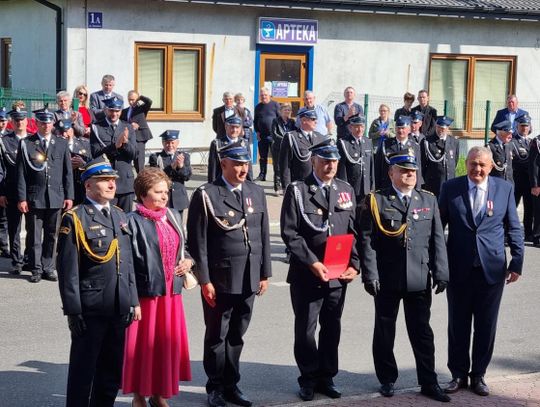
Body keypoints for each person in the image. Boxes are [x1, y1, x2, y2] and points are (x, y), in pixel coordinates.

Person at [357, 150, 450, 402]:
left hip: (419, 278)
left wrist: (441, 272)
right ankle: (387, 378)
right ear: (391, 173)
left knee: (422, 332)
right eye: (404, 170)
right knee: (385, 332)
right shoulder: (376, 200)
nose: (410, 174)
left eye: (412, 171)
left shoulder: (427, 200)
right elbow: (366, 241)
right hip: (387, 279)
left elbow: (437, 240)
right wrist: (370, 274)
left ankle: (429, 381)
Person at [187, 141, 271, 407]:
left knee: (237, 334)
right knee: (216, 336)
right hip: (220, 278)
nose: (242, 168)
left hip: (248, 275)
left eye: (245, 163)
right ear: (223, 163)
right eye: (237, 163)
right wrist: (205, 280)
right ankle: (215, 387)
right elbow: (197, 242)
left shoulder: (255, 192)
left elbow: (264, 235)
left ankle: (232, 384)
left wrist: (264, 273)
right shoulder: (207, 193)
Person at [439, 146, 524, 397]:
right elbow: (437, 228)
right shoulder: (450, 188)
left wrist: (517, 261)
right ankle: (457, 374)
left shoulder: (504, 189)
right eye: (473, 164)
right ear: (466, 164)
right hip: (458, 268)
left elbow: (514, 227)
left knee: (486, 326)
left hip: (492, 269)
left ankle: (479, 375)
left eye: (482, 165)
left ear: (491, 167)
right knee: (458, 324)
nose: (477, 169)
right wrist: (437, 263)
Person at [56, 156, 139, 407]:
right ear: (88, 186)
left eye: (112, 179)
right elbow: (67, 270)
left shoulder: (120, 215)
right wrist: (73, 310)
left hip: (118, 305)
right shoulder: (76, 218)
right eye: (104, 180)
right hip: (90, 309)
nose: (111, 184)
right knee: (83, 372)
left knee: (111, 372)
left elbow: (127, 263)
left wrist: (132, 301)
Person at [281, 138, 359, 401]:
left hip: (337, 275)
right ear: (313, 160)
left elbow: (353, 231)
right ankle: (308, 378)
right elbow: (290, 233)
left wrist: (355, 265)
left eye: (334, 161)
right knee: (305, 330)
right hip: (307, 274)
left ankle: (327, 377)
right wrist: (311, 262)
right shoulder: (299, 190)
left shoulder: (346, 189)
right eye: (326, 160)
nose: (331, 165)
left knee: (331, 327)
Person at [122, 167, 192, 407]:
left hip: (171, 295)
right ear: (143, 194)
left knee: (164, 346)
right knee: (143, 348)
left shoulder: (172, 214)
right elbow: (127, 264)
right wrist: (132, 299)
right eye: (158, 192)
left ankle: (159, 394)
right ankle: (139, 395)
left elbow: (185, 247)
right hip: (146, 295)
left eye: (166, 192)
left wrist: (188, 260)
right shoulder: (131, 221)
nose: (164, 197)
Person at [17, 108, 74, 283]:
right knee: (34, 235)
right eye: (43, 122)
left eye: (49, 122)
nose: (46, 125)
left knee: (52, 235)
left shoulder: (62, 143)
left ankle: (48, 267)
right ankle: (36, 268)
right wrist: (22, 198)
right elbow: (21, 173)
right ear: (37, 124)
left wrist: (69, 195)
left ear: (52, 124)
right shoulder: (27, 144)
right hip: (35, 197)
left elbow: (67, 173)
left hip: (56, 196)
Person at [90, 96, 137, 213]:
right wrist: (115, 146)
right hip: (106, 181)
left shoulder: (128, 127)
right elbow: (96, 154)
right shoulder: (97, 127)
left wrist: (125, 143)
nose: (114, 114)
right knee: (107, 219)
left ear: (121, 111)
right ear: (105, 110)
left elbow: (134, 155)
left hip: (125, 182)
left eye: (117, 111)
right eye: (111, 110)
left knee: (126, 221)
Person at [0, 107, 30, 273]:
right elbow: (1, 169)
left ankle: (27, 258)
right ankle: (16, 260)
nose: (19, 122)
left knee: (32, 229)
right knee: (14, 228)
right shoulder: (5, 141)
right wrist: (2, 192)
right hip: (11, 190)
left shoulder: (33, 140)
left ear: (27, 121)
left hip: (31, 191)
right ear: (11, 122)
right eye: (16, 120)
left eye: (22, 119)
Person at [149, 130, 192, 219]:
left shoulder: (184, 156)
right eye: (167, 143)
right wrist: (171, 167)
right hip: (163, 197)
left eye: (172, 143)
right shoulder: (156, 157)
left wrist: (181, 167)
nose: (170, 146)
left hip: (179, 198)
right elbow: (156, 177)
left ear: (177, 143)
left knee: (178, 224)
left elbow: (187, 176)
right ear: (163, 143)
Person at [280, 109, 326, 192]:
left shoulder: (320, 138)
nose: (315, 122)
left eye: (315, 119)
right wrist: (286, 186)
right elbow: (285, 164)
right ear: (303, 120)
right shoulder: (291, 137)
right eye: (312, 119)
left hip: (318, 184)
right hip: (300, 184)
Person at [374, 115, 422, 190]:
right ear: (395, 129)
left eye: (403, 128)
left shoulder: (415, 146)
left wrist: (418, 189)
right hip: (388, 186)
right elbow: (377, 167)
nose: (400, 131)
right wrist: (376, 188)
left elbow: (418, 170)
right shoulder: (385, 144)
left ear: (409, 129)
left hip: (407, 186)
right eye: (398, 128)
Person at [336, 114, 375, 203]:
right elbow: (341, 170)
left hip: (365, 188)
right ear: (351, 127)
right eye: (357, 127)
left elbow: (371, 166)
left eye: (362, 126)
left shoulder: (368, 142)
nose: (360, 129)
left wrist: (372, 187)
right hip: (351, 187)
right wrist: (343, 188)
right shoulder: (344, 143)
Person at [56, 119, 92, 206]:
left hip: (81, 189)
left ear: (72, 131)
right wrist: (67, 166)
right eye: (61, 133)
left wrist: (83, 164)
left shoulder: (85, 144)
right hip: (61, 189)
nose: (64, 135)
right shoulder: (53, 147)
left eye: (66, 131)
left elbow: (93, 164)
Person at [421, 116, 460, 197]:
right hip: (434, 184)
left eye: (443, 128)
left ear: (448, 128)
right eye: (438, 127)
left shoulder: (454, 141)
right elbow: (423, 165)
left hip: (450, 181)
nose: (440, 130)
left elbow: (454, 161)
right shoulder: (427, 142)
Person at [208, 116, 252, 182]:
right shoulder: (217, 144)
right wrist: (212, 185)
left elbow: (248, 166)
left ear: (241, 129)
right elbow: (213, 167)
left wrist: (250, 183)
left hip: (240, 180)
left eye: (237, 127)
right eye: (232, 127)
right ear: (226, 127)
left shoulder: (244, 143)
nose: (234, 130)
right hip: (223, 181)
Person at [511, 115, 533, 241]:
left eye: (527, 126)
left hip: (529, 181)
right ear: (517, 126)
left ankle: (528, 233)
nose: (525, 128)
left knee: (529, 208)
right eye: (522, 126)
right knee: (512, 208)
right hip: (516, 180)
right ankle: (509, 233)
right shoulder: (512, 141)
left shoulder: (532, 142)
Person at [121, 91, 153, 174]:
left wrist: (140, 97)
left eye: (133, 99)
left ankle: (141, 181)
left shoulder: (142, 109)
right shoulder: (124, 111)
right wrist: (129, 125)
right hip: (128, 138)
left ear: (137, 99)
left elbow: (149, 101)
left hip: (140, 137)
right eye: (129, 99)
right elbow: (121, 122)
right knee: (126, 160)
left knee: (139, 163)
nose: (131, 102)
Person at [254, 87, 280, 181]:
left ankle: (277, 177)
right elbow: (255, 121)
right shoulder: (258, 107)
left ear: (269, 95)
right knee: (263, 157)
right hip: (262, 136)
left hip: (273, 136)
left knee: (275, 158)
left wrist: (278, 133)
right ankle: (262, 175)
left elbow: (280, 119)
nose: (263, 96)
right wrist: (257, 132)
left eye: (265, 95)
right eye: (262, 95)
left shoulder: (275, 105)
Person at [270, 102, 296, 195]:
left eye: (289, 110)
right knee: (277, 167)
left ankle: (287, 187)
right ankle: (277, 188)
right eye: (285, 110)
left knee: (288, 168)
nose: (287, 111)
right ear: (281, 111)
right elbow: (274, 134)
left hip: (289, 148)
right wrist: (286, 139)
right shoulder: (275, 121)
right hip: (278, 148)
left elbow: (294, 133)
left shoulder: (292, 122)